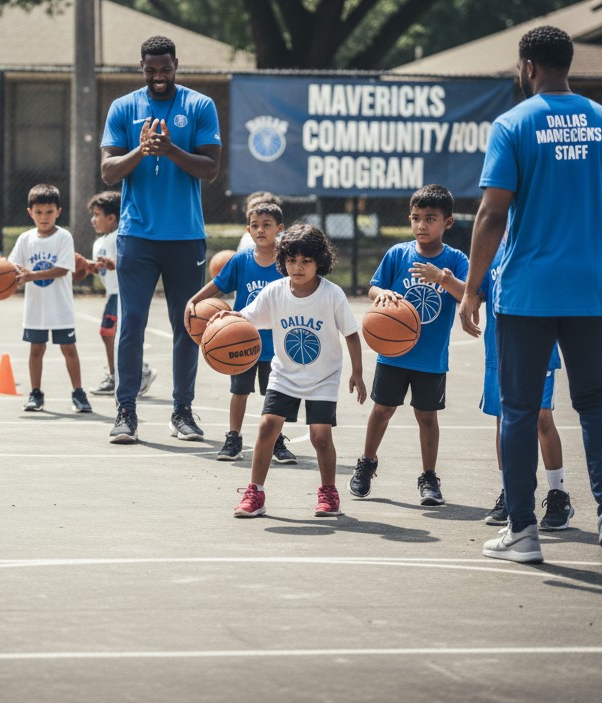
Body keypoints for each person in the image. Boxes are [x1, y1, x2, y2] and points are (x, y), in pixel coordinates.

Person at [460, 25, 602, 565]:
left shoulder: (513, 124)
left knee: (517, 409)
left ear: (529, 65)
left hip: (527, 293)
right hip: (590, 290)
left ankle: (522, 531)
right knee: (595, 404)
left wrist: (471, 289)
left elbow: (492, 213)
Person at [100, 35, 221, 444]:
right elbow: (109, 172)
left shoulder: (200, 106)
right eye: (150, 70)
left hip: (185, 235)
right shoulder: (123, 108)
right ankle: (126, 411)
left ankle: (182, 411)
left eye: (165, 69)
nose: (158, 76)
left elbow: (210, 169)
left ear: (176, 65)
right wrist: (141, 151)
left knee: (187, 326)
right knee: (131, 323)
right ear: (141, 68)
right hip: (137, 236)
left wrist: (170, 150)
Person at [228, 224, 366, 518]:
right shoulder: (275, 291)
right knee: (267, 425)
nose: (298, 267)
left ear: (320, 262)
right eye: (292, 260)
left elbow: (351, 333)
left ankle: (329, 492)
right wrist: (225, 319)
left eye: (306, 261)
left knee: (319, 436)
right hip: (285, 374)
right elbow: (246, 318)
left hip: (323, 376)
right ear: (283, 261)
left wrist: (357, 373)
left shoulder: (332, 294)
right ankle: (256, 492)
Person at [348, 184, 469, 506]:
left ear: (448, 223)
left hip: (431, 356)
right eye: (416, 218)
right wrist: (381, 295)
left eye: (430, 219)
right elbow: (374, 288)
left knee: (426, 416)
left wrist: (442, 278)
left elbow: (470, 295)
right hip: (393, 352)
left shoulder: (455, 260)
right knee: (382, 409)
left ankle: (429, 476)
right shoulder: (398, 254)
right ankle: (367, 462)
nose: (421, 226)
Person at [186, 201, 293, 464]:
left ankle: (276, 440)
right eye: (255, 226)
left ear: (279, 228)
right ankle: (233, 437)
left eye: (267, 225)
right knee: (239, 392)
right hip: (240, 340)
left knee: (275, 396)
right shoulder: (241, 261)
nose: (260, 230)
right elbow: (218, 284)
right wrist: (194, 300)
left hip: (276, 343)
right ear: (248, 230)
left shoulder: (287, 263)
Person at [479, 247, 573, 530]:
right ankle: (510, 493)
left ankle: (559, 495)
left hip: (538, 348)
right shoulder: (491, 253)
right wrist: (446, 281)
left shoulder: (542, 248)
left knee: (541, 418)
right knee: (503, 422)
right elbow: (475, 292)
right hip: (500, 352)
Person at [8, 184, 92, 414]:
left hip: (60, 307)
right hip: (36, 308)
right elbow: (12, 265)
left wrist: (30, 275)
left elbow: (63, 269)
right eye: (38, 212)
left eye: (49, 212)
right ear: (30, 212)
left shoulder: (64, 237)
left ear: (58, 211)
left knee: (69, 349)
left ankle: (78, 392)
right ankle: (35, 393)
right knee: (36, 349)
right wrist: (4, 275)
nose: (44, 217)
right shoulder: (25, 239)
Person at [86, 190, 156, 398]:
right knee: (110, 335)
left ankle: (136, 371)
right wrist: (89, 267)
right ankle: (117, 374)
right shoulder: (99, 242)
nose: (93, 220)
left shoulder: (122, 238)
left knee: (114, 335)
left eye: (97, 215)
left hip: (123, 293)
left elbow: (132, 265)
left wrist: (113, 264)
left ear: (112, 218)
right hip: (112, 293)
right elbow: (103, 268)